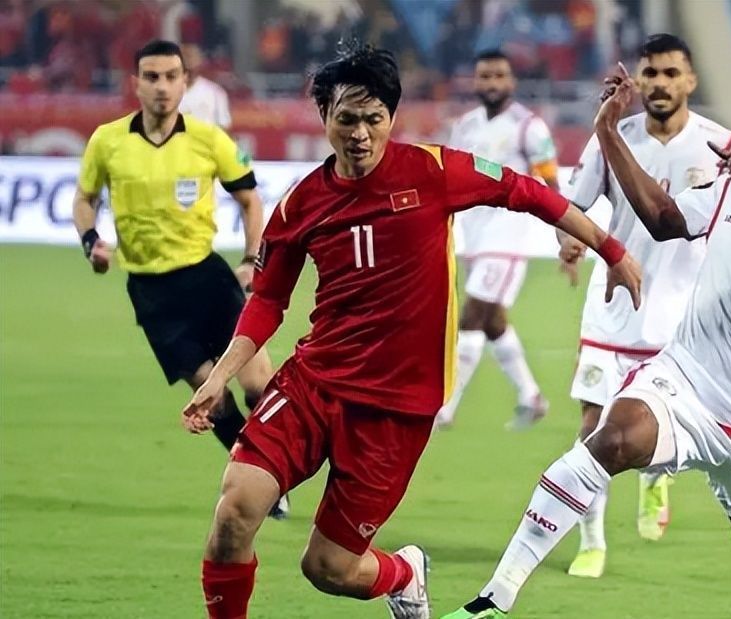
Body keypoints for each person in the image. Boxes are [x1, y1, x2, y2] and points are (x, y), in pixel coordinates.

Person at [182, 44, 641, 619]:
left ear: (391, 119)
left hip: (395, 409)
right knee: (233, 512)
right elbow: (268, 300)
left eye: (374, 119)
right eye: (346, 118)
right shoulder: (300, 203)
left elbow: (526, 192)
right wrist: (222, 376)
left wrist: (614, 250)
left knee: (328, 569)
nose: (360, 134)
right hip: (313, 383)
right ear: (324, 116)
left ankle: (403, 573)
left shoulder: (435, 170)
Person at [443, 73, 731, 619]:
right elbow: (663, 218)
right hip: (686, 383)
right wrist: (608, 133)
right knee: (611, 438)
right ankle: (494, 599)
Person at [71, 40, 281, 514]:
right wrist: (91, 241)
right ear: (136, 84)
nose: (162, 87)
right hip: (152, 292)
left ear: (186, 82)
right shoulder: (108, 140)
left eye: (171, 76)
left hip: (209, 280)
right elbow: (84, 199)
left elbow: (250, 199)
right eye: (152, 77)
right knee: (214, 397)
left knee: (260, 384)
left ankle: (278, 468)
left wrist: (252, 258)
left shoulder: (209, 139)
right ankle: (259, 481)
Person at [559, 33, 731, 579]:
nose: (659, 83)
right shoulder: (611, 136)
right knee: (593, 431)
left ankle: (655, 476)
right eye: (650, 73)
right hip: (611, 311)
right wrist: (572, 242)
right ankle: (591, 543)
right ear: (636, 80)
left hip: (678, 324)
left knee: (652, 428)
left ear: (690, 81)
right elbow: (573, 208)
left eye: (670, 73)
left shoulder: (718, 145)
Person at [436, 49, 561, 431]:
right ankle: (532, 397)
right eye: (484, 76)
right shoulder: (465, 127)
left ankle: (444, 408)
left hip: (508, 236)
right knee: (492, 321)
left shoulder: (529, 127)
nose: (491, 83)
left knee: (472, 316)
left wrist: (563, 231)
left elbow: (551, 180)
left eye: (498, 76)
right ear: (475, 82)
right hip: (473, 236)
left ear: (512, 82)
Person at [179, 43, 232, 129]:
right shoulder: (166, 91)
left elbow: (224, 126)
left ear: (200, 61)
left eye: (191, 57)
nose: (188, 62)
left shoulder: (215, 92)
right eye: (184, 57)